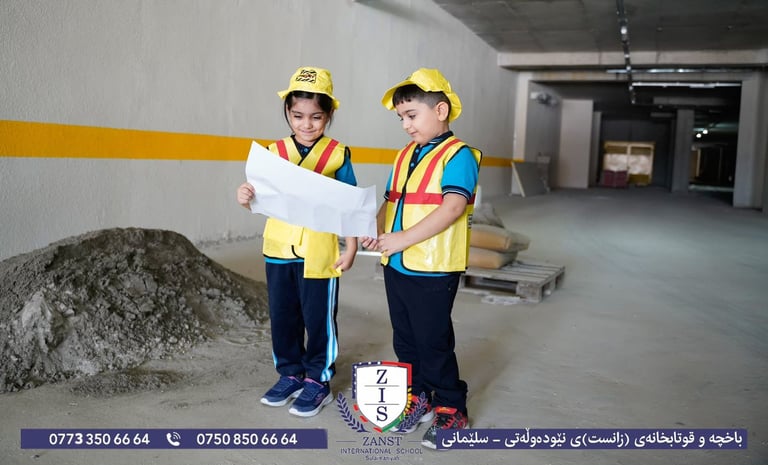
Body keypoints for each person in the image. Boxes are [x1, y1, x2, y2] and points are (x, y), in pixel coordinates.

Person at [361, 68, 481, 449]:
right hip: (397, 263)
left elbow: (452, 208)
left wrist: (401, 239)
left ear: (440, 110)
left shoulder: (460, 156)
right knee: (406, 339)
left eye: (411, 115)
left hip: (433, 267)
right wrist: (375, 229)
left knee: (433, 341)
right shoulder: (405, 155)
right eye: (401, 118)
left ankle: (451, 406)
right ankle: (419, 397)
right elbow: (392, 200)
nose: (405, 125)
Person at [236, 66, 358, 418]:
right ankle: (290, 373)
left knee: (318, 319)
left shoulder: (338, 154)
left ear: (328, 115)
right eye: (298, 116)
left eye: (316, 117)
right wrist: (244, 197)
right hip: (278, 249)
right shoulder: (272, 152)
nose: (306, 124)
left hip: (320, 253)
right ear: (288, 113)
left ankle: (318, 380)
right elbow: (258, 198)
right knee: (283, 316)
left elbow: (349, 204)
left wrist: (350, 246)